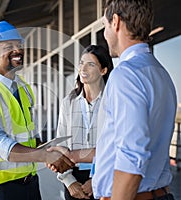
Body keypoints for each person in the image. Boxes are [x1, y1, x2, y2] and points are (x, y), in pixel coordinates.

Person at [0, 20, 74, 200]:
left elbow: (30, 136)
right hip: (2, 189)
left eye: (19, 45)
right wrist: (44, 155)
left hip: (30, 183)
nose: (18, 50)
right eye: (8, 46)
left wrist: (49, 150)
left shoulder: (23, 87)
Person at [92, 0, 177, 199]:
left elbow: (131, 157)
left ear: (116, 21)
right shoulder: (160, 73)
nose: (105, 34)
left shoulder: (126, 74)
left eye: (104, 26)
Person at [56, 45, 113, 200]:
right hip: (73, 179)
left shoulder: (112, 102)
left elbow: (115, 146)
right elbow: (61, 145)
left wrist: (96, 180)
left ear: (103, 70)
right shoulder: (68, 102)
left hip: (105, 178)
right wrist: (69, 182)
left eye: (91, 64)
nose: (83, 68)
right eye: (81, 63)